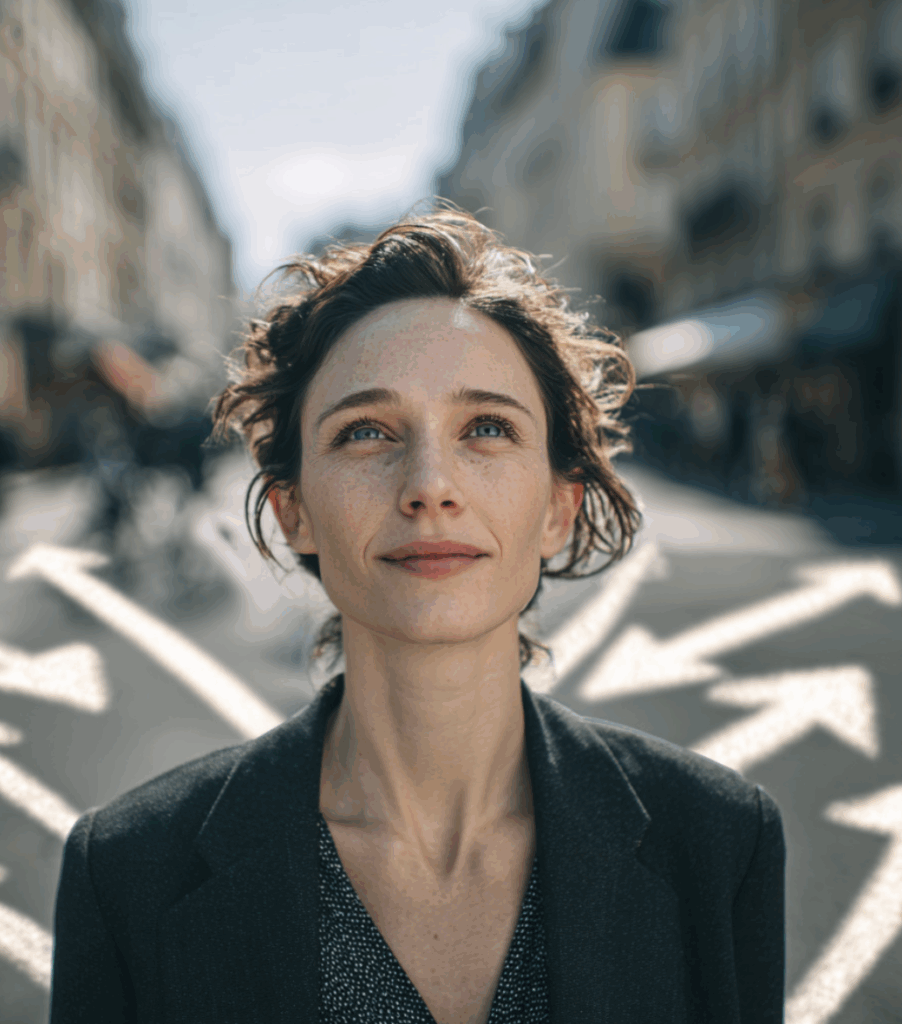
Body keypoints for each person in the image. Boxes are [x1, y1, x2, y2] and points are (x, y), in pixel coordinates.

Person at [48, 204, 785, 1024]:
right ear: (293, 509)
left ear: (557, 507)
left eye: (487, 428)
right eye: (366, 431)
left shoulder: (720, 844)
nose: (430, 483)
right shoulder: (125, 875)